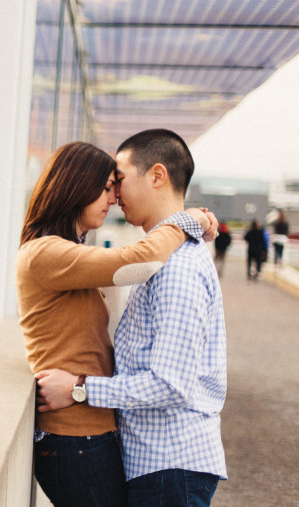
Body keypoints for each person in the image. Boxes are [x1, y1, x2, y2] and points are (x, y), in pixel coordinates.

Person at [16, 141, 216, 507]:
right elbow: (137, 261)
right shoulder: (46, 252)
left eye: (116, 184)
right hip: (75, 437)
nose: (115, 197)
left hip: (88, 434)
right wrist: (189, 220)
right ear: (77, 185)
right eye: (107, 187)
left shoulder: (62, 251)